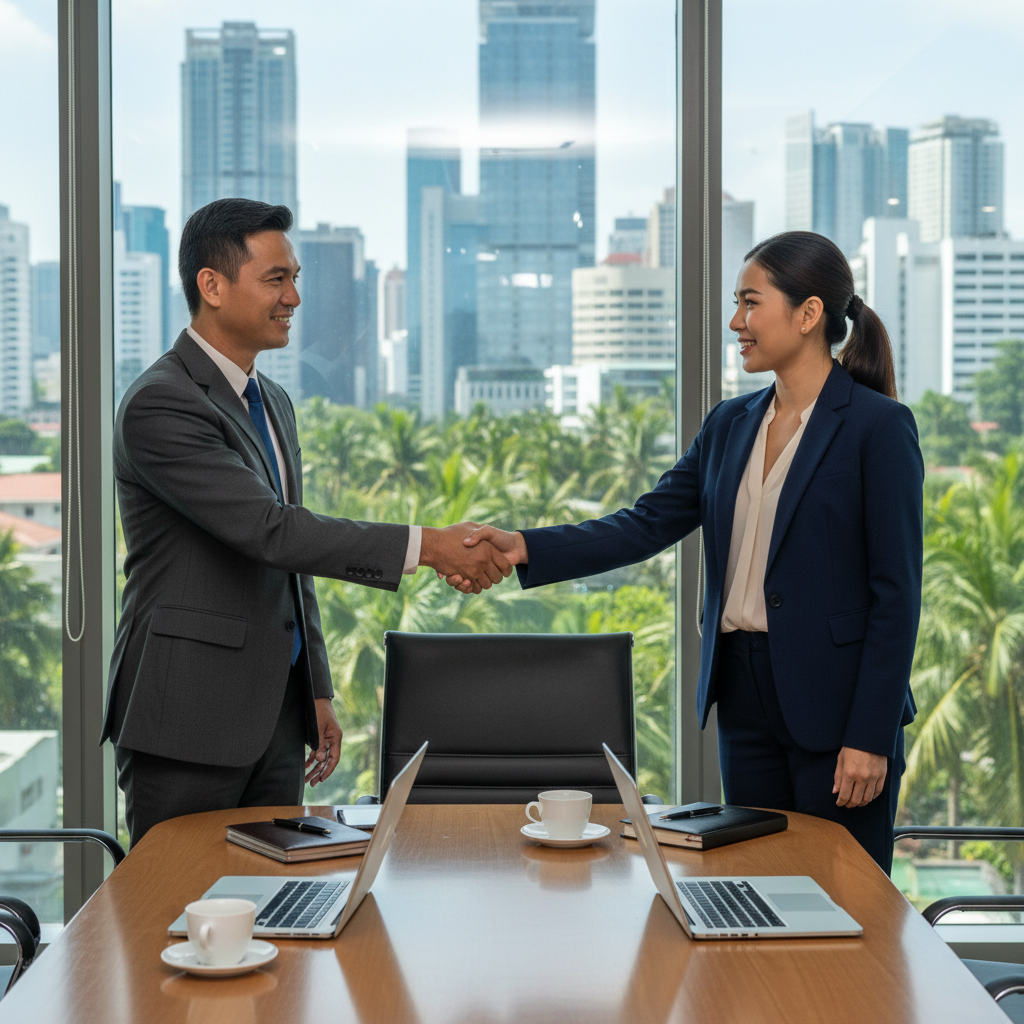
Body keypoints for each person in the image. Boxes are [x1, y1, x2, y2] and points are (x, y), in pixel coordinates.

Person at [449, 231, 924, 873]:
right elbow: (644, 524)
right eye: (736, 304)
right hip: (744, 694)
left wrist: (869, 737)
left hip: (838, 706)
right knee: (755, 887)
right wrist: (524, 546)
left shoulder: (877, 427)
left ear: (809, 314)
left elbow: (897, 597)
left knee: (845, 898)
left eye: (751, 303)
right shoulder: (730, 423)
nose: (737, 322)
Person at [104, 198, 512, 847]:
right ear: (211, 285)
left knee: (271, 912)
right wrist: (429, 546)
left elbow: (287, 558)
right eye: (276, 279)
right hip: (186, 721)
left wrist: (314, 687)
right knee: (172, 918)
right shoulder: (162, 403)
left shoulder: (273, 402)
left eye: (295, 278)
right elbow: (271, 530)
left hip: (272, 720)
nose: (294, 296)